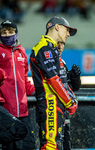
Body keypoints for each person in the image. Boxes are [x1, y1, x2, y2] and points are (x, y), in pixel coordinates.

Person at [29, 16, 78, 150]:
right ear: (57, 27)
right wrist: (69, 102)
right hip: (50, 103)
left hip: (54, 103)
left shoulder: (50, 48)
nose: (68, 34)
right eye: (67, 30)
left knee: (55, 144)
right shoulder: (44, 48)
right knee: (51, 145)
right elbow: (53, 79)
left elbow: (60, 80)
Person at [0, 19, 36, 150]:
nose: (7, 35)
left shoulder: (22, 51)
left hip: (23, 111)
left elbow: (24, 79)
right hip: (5, 111)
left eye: (10, 31)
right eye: (4, 32)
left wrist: (34, 91)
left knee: (29, 146)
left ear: (16, 33)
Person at [57, 42, 81, 150]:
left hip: (65, 113)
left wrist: (75, 78)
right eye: (57, 43)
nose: (60, 46)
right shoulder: (47, 60)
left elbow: (71, 88)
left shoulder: (62, 62)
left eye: (62, 44)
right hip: (53, 110)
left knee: (65, 144)